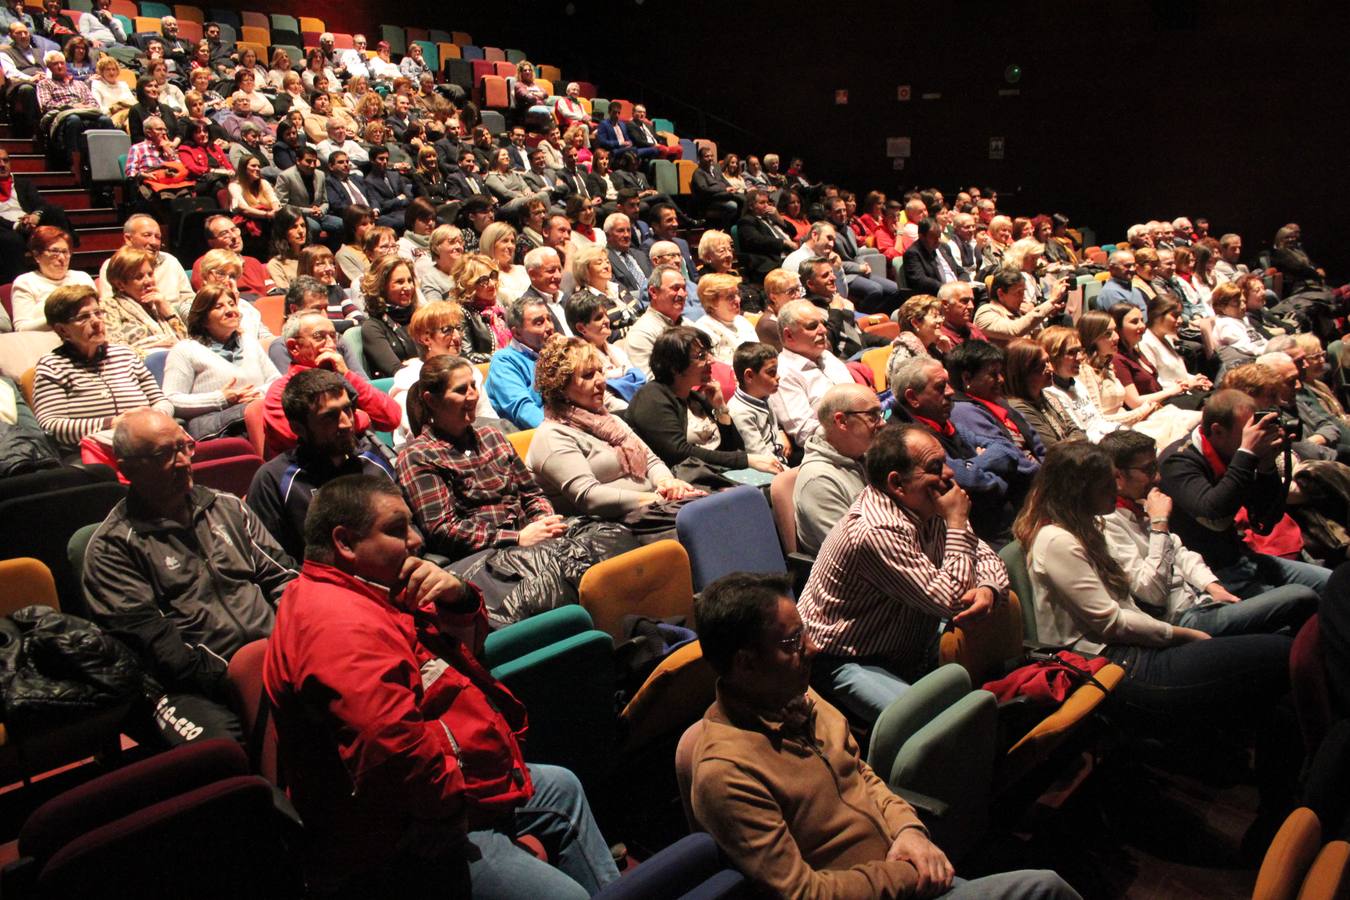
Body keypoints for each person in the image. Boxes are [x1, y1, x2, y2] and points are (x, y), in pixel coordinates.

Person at [271, 475, 624, 900]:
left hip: (459, 782)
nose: (417, 540)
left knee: (561, 787)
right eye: (397, 530)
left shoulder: (375, 589)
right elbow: (389, 749)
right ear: (345, 543)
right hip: (410, 834)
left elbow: (470, 656)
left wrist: (458, 597)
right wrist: (450, 811)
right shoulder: (337, 625)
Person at [691, 570, 1078, 900]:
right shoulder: (727, 772)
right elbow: (803, 893)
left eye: (804, 632)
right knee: (1046, 888)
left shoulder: (798, 695)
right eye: (792, 642)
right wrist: (907, 875)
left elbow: (861, 773)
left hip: (907, 867)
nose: (813, 647)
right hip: (893, 887)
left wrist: (910, 832)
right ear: (745, 663)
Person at [1015, 439, 1300, 841]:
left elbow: (1135, 598)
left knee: (1279, 673)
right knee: (1284, 655)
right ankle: (1282, 816)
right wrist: (1181, 635)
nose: (1113, 492)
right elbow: (1111, 622)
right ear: (1082, 489)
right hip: (1117, 665)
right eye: (1104, 484)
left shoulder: (1087, 525)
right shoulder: (1056, 540)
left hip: (1138, 647)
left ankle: (1283, 808)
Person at [84, 408, 296, 745]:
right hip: (192, 685)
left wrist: (293, 644)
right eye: (163, 455)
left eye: (184, 447)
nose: (183, 461)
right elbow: (158, 648)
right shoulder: (113, 548)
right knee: (222, 751)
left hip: (274, 653)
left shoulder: (228, 508)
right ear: (126, 470)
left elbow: (283, 578)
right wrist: (241, 677)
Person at [797, 423, 1007, 722]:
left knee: (993, 683)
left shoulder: (927, 503)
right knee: (933, 724)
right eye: (935, 467)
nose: (949, 474)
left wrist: (988, 588)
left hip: (907, 638)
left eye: (945, 462)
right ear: (897, 483)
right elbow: (953, 601)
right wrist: (958, 523)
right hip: (844, 657)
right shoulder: (875, 531)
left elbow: (986, 557)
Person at [1099, 428, 1316, 637]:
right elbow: (1152, 593)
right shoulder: (1108, 524)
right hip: (1181, 619)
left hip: (1203, 598)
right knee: (1301, 596)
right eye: (1148, 470)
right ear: (1118, 476)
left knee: (1323, 586)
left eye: (1155, 466)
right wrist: (1159, 523)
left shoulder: (1141, 501)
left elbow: (1180, 552)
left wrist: (1211, 585)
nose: (1157, 477)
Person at [396, 354, 566, 566]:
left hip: (532, 538)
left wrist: (543, 521)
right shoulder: (418, 455)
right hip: (485, 559)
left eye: (473, 386)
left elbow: (532, 494)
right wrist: (518, 538)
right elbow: (443, 529)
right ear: (431, 400)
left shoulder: (492, 436)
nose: (472, 396)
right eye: (460, 390)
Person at [1159, 388, 1331, 595]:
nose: (1255, 437)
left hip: (1241, 558)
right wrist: (1246, 454)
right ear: (1217, 431)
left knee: (1334, 582)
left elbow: (1265, 520)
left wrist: (1267, 466)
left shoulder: (1234, 452)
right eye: (1247, 433)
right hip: (1208, 575)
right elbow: (1214, 513)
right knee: (1303, 598)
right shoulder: (1178, 462)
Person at [526, 335, 701, 518]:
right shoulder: (552, 436)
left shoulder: (608, 420)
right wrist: (655, 499)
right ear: (560, 387)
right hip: (611, 527)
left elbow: (651, 461)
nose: (601, 381)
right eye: (588, 375)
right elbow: (589, 497)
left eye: (600, 371)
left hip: (653, 509)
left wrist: (667, 483)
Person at [246, 367, 398, 561]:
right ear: (298, 427)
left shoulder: (372, 458)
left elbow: (410, 529)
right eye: (329, 417)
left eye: (347, 409)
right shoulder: (273, 480)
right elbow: (272, 563)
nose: (346, 423)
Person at [33, 285, 173, 458]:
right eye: (84, 317)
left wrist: (150, 421)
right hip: (93, 452)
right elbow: (51, 426)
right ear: (62, 330)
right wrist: (112, 423)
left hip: (147, 442)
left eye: (98, 313)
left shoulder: (125, 354)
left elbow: (161, 400)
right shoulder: (53, 366)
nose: (96, 321)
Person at [628, 326, 780, 473]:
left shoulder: (696, 397)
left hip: (719, 475)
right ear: (675, 366)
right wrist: (745, 460)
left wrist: (720, 408)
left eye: (708, 353)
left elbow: (733, 447)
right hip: (683, 484)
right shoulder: (651, 398)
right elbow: (679, 453)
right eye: (701, 356)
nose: (711, 361)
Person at [262, 310, 401, 456]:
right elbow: (305, 439)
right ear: (294, 347)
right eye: (319, 336)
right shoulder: (280, 391)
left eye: (333, 336)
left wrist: (347, 374)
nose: (331, 344)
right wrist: (362, 418)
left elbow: (392, 418)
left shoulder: (343, 377)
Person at [161, 284, 275, 439]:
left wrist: (258, 395)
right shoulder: (185, 350)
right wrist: (221, 399)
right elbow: (171, 399)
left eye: (232, 304)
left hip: (255, 412)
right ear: (203, 319)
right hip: (214, 424)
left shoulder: (249, 341)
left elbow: (275, 381)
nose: (230, 310)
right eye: (219, 306)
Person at [793, 384, 883, 557]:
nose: (883, 423)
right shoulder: (818, 481)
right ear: (842, 421)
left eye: (880, 414)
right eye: (873, 416)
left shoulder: (865, 456)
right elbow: (855, 554)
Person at [947, 339, 1046, 471]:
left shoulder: (999, 401)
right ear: (967, 378)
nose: (1001, 379)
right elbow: (1008, 455)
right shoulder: (962, 410)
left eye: (1001, 373)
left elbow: (1037, 444)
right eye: (993, 374)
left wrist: (1048, 469)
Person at [770, 299, 856, 447]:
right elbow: (804, 432)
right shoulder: (783, 374)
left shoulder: (827, 356)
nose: (823, 330)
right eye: (812, 326)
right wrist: (853, 430)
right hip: (832, 447)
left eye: (822, 323)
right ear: (789, 335)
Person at [483, 294, 559, 429]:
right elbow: (523, 410)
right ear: (517, 333)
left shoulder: (555, 353)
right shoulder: (504, 362)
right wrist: (561, 433)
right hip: (538, 437)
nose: (549, 327)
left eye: (549, 319)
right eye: (539, 323)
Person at [565, 290, 645, 411]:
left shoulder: (616, 350)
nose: (607, 321)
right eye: (599, 318)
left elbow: (639, 380)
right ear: (581, 328)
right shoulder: (579, 362)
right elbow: (604, 400)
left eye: (606, 315)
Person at [101, 244, 187, 355]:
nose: (148, 281)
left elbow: (185, 341)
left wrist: (167, 311)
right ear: (120, 284)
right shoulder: (109, 307)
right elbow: (116, 351)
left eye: (150, 274)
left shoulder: (158, 303)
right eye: (139, 277)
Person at [1003, 337, 1086, 448]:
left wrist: (1074, 440)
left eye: (1048, 361)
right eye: (1043, 365)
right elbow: (1054, 449)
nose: (1051, 369)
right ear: (1024, 372)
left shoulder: (1048, 395)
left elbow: (1076, 430)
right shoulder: (1018, 409)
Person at [10, 225, 93, 331]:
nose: (62, 258)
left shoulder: (82, 278)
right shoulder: (25, 282)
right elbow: (22, 328)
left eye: (65, 252)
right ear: (36, 255)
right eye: (55, 251)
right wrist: (62, 318)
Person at [727, 341, 789, 466]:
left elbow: (775, 427)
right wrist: (789, 472)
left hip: (780, 459)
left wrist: (781, 433)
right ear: (749, 376)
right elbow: (760, 456)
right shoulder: (740, 412)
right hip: (766, 471)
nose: (778, 376)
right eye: (771, 372)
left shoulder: (763, 396)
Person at [358, 255, 419, 379]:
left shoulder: (421, 317)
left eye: (410, 280)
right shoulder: (372, 327)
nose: (408, 287)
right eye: (399, 282)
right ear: (381, 286)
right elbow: (396, 371)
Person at [1139, 293, 1212, 393]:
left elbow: (1179, 375)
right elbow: (1156, 383)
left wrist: (1198, 380)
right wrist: (1190, 384)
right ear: (1157, 315)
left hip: (1185, 394)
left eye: (1180, 315)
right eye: (1175, 316)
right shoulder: (1145, 342)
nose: (1180, 320)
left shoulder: (1167, 338)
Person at [975, 267, 1065, 347]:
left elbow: (1039, 342)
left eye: (1023, 292)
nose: (1023, 298)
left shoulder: (1019, 311)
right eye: (1018, 293)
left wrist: (1034, 314)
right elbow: (1015, 330)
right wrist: (1050, 301)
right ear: (1001, 293)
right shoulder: (985, 313)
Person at [191, 214, 276, 297]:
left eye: (234, 230)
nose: (234, 236)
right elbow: (207, 299)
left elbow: (272, 292)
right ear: (211, 242)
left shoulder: (253, 262)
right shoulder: (204, 264)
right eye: (224, 234)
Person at [691, 272, 757, 365]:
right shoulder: (703, 330)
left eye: (737, 294)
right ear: (712, 302)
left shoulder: (742, 321)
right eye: (730, 297)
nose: (738, 300)